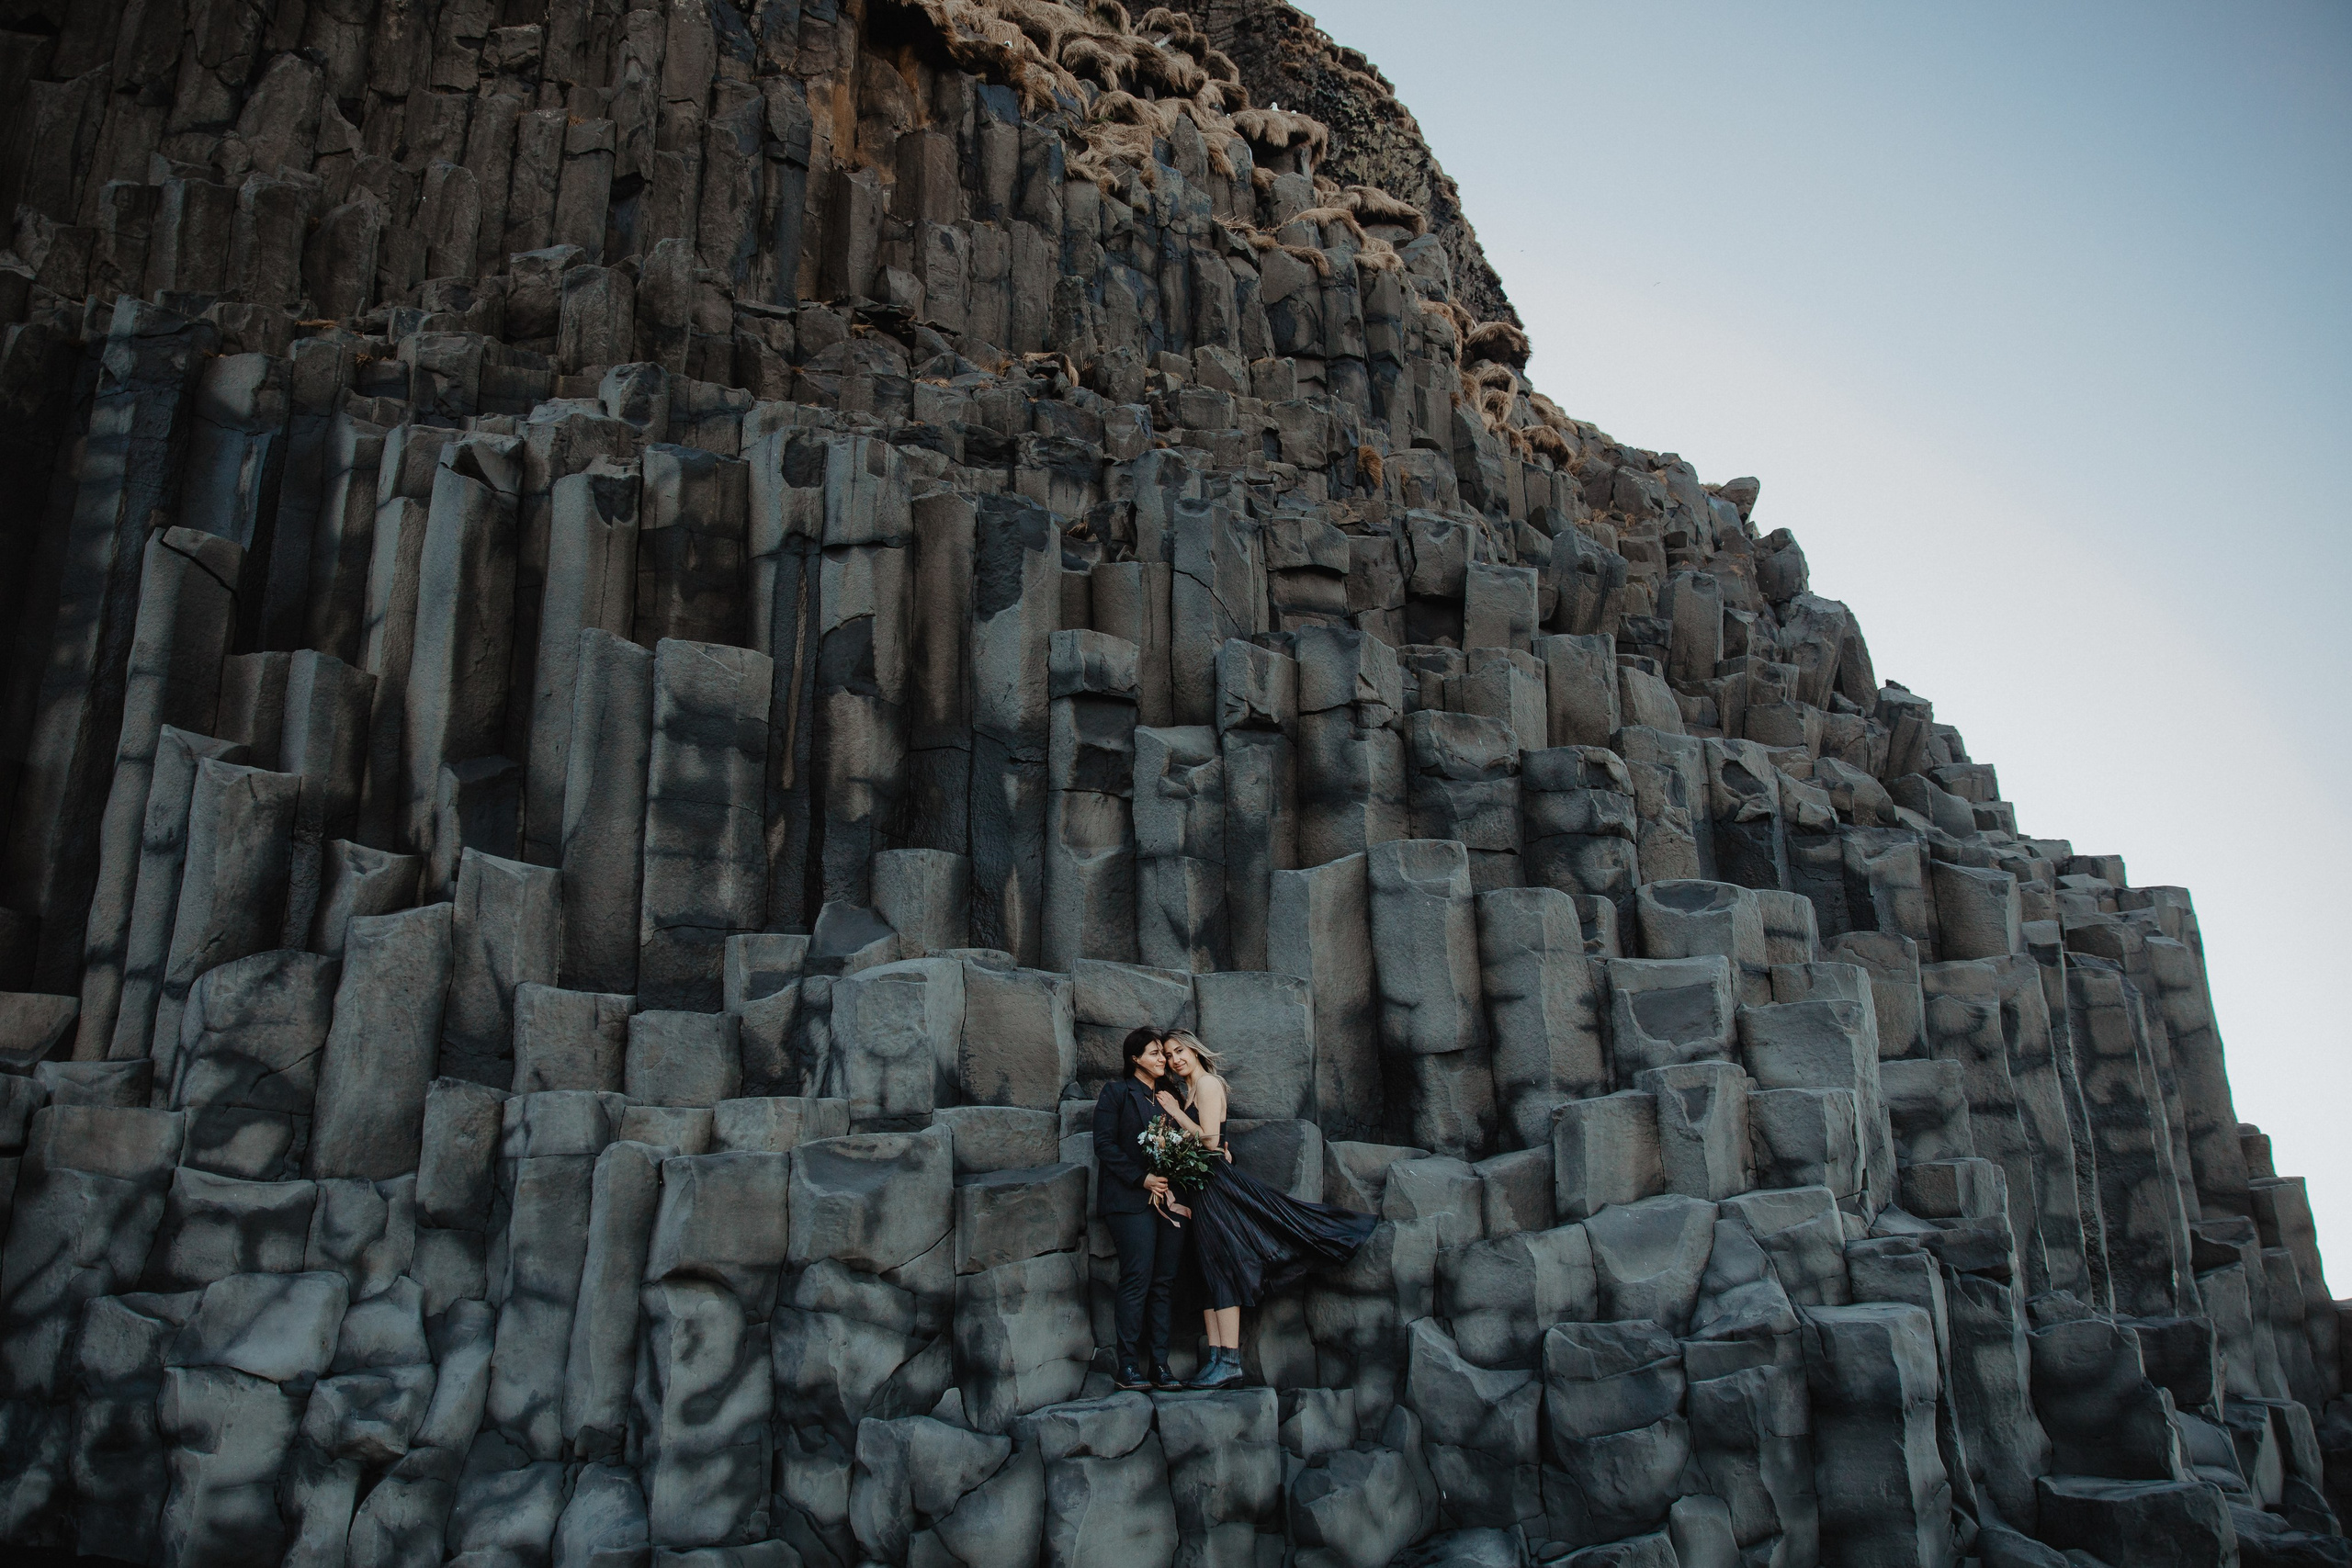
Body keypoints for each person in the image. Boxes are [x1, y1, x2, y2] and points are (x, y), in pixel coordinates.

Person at [1154, 1029, 1378, 1389]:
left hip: (1216, 1186)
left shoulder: (1208, 1084)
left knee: (1224, 1265)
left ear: (1194, 1050)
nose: (1175, 1059)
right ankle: (1217, 1358)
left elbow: (1210, 1143)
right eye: (1168, 1054)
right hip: (1203, 1187)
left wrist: (1176, 1114)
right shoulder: (1191, 1089)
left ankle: (1229, 1360)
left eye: (1180, 1050)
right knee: (1212, 1269)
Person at [1091, 1025, 1185, 1389]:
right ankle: (1128, 1367)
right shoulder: (1116, 1093)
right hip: (1130, 1201)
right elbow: (1104, 1145)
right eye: (1155, 1053)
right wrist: (1140, 1178)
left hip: (1170, 1200)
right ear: (1134, 1059)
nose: (1163, 1059)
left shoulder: (1167, 1096)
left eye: (1163, 1053)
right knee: (1137, 1279)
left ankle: (1160, 1366)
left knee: (1163, 1283)